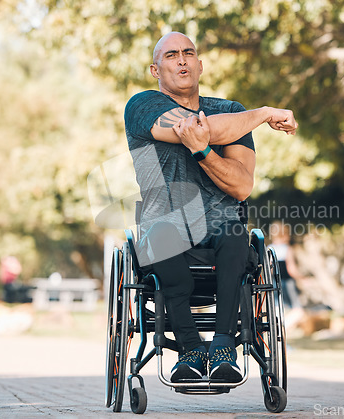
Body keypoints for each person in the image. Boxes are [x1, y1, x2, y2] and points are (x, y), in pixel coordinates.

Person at [124, 32, 298, 383]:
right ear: (156, 70)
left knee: (236, 232)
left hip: (221, 226)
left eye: (189, 53)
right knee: (162, 235)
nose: (182, 60)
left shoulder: (231, 111)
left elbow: (241, 185)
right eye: (172, 55)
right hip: (164, 224)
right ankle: (188, 349)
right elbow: (190, 128)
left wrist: (203, 152)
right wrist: (263, 113)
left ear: (201, 65)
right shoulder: (142, 106)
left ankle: (223, 348)